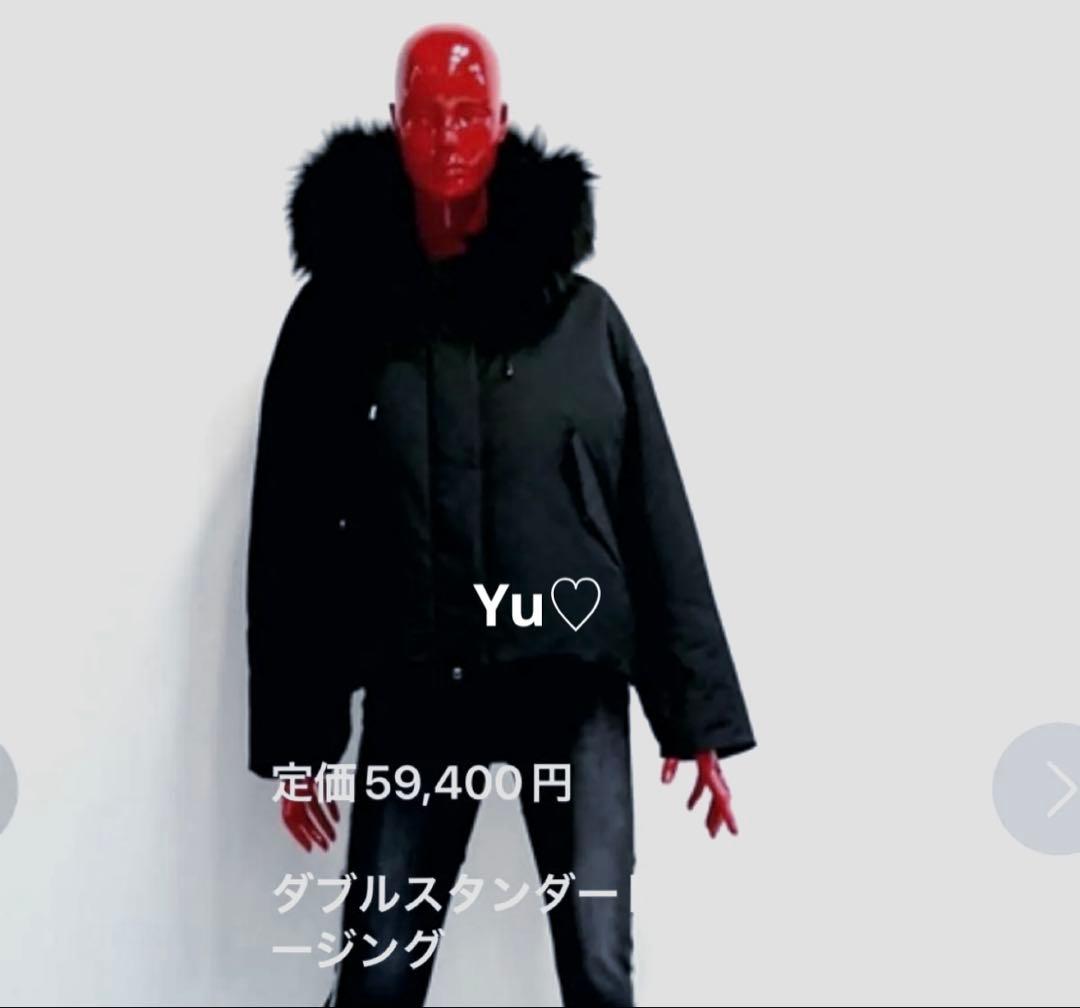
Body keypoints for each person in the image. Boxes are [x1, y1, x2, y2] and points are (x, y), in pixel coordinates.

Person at [245, 22, 756, 1007]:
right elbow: (295, 540)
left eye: (468, 112)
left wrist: (694, 716)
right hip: (417, 685)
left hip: (567, 680)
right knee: (378, 971)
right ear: (395, 122)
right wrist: (301, 734)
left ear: (502, 121)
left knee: (599, 968)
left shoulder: (582, 319)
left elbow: (652, 511)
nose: (448, 136)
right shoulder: (338, 322)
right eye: (427, 114)